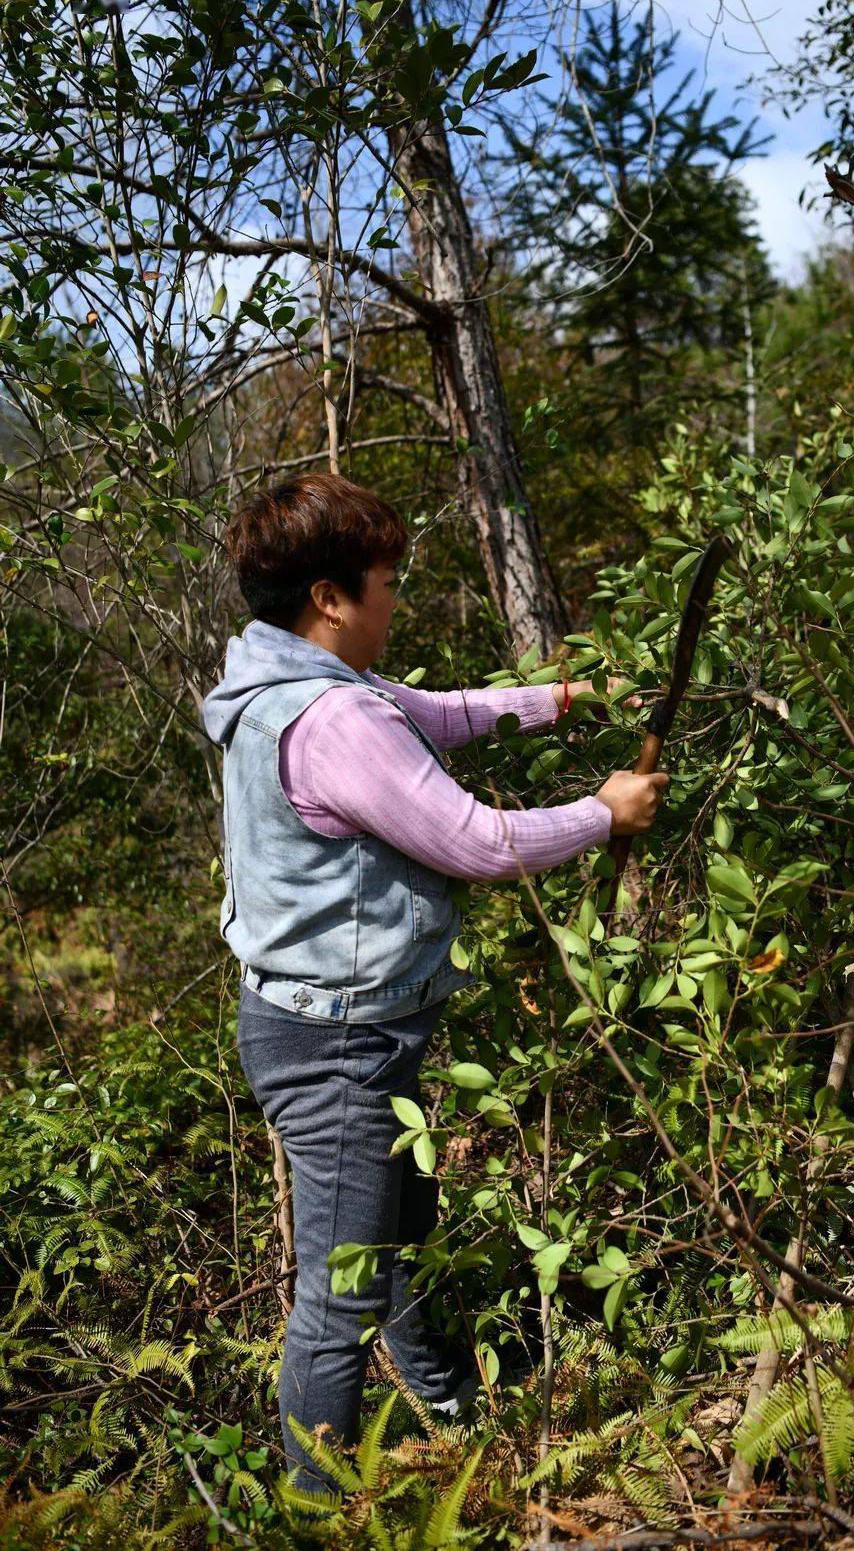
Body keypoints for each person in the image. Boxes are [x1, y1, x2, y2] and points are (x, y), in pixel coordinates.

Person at [200, 472, 668, 1492]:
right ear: (330, 597)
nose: (394, 596)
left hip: (351, 1030)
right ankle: (323, 1517)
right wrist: (604, 813)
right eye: (385, 580)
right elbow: (478, 841)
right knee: (339, 1300)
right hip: (337, 1048)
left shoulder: (299, 688)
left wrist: (560, 700)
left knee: (400, 1240)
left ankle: (453, 1426)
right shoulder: (329, 722)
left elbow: (441, 715)